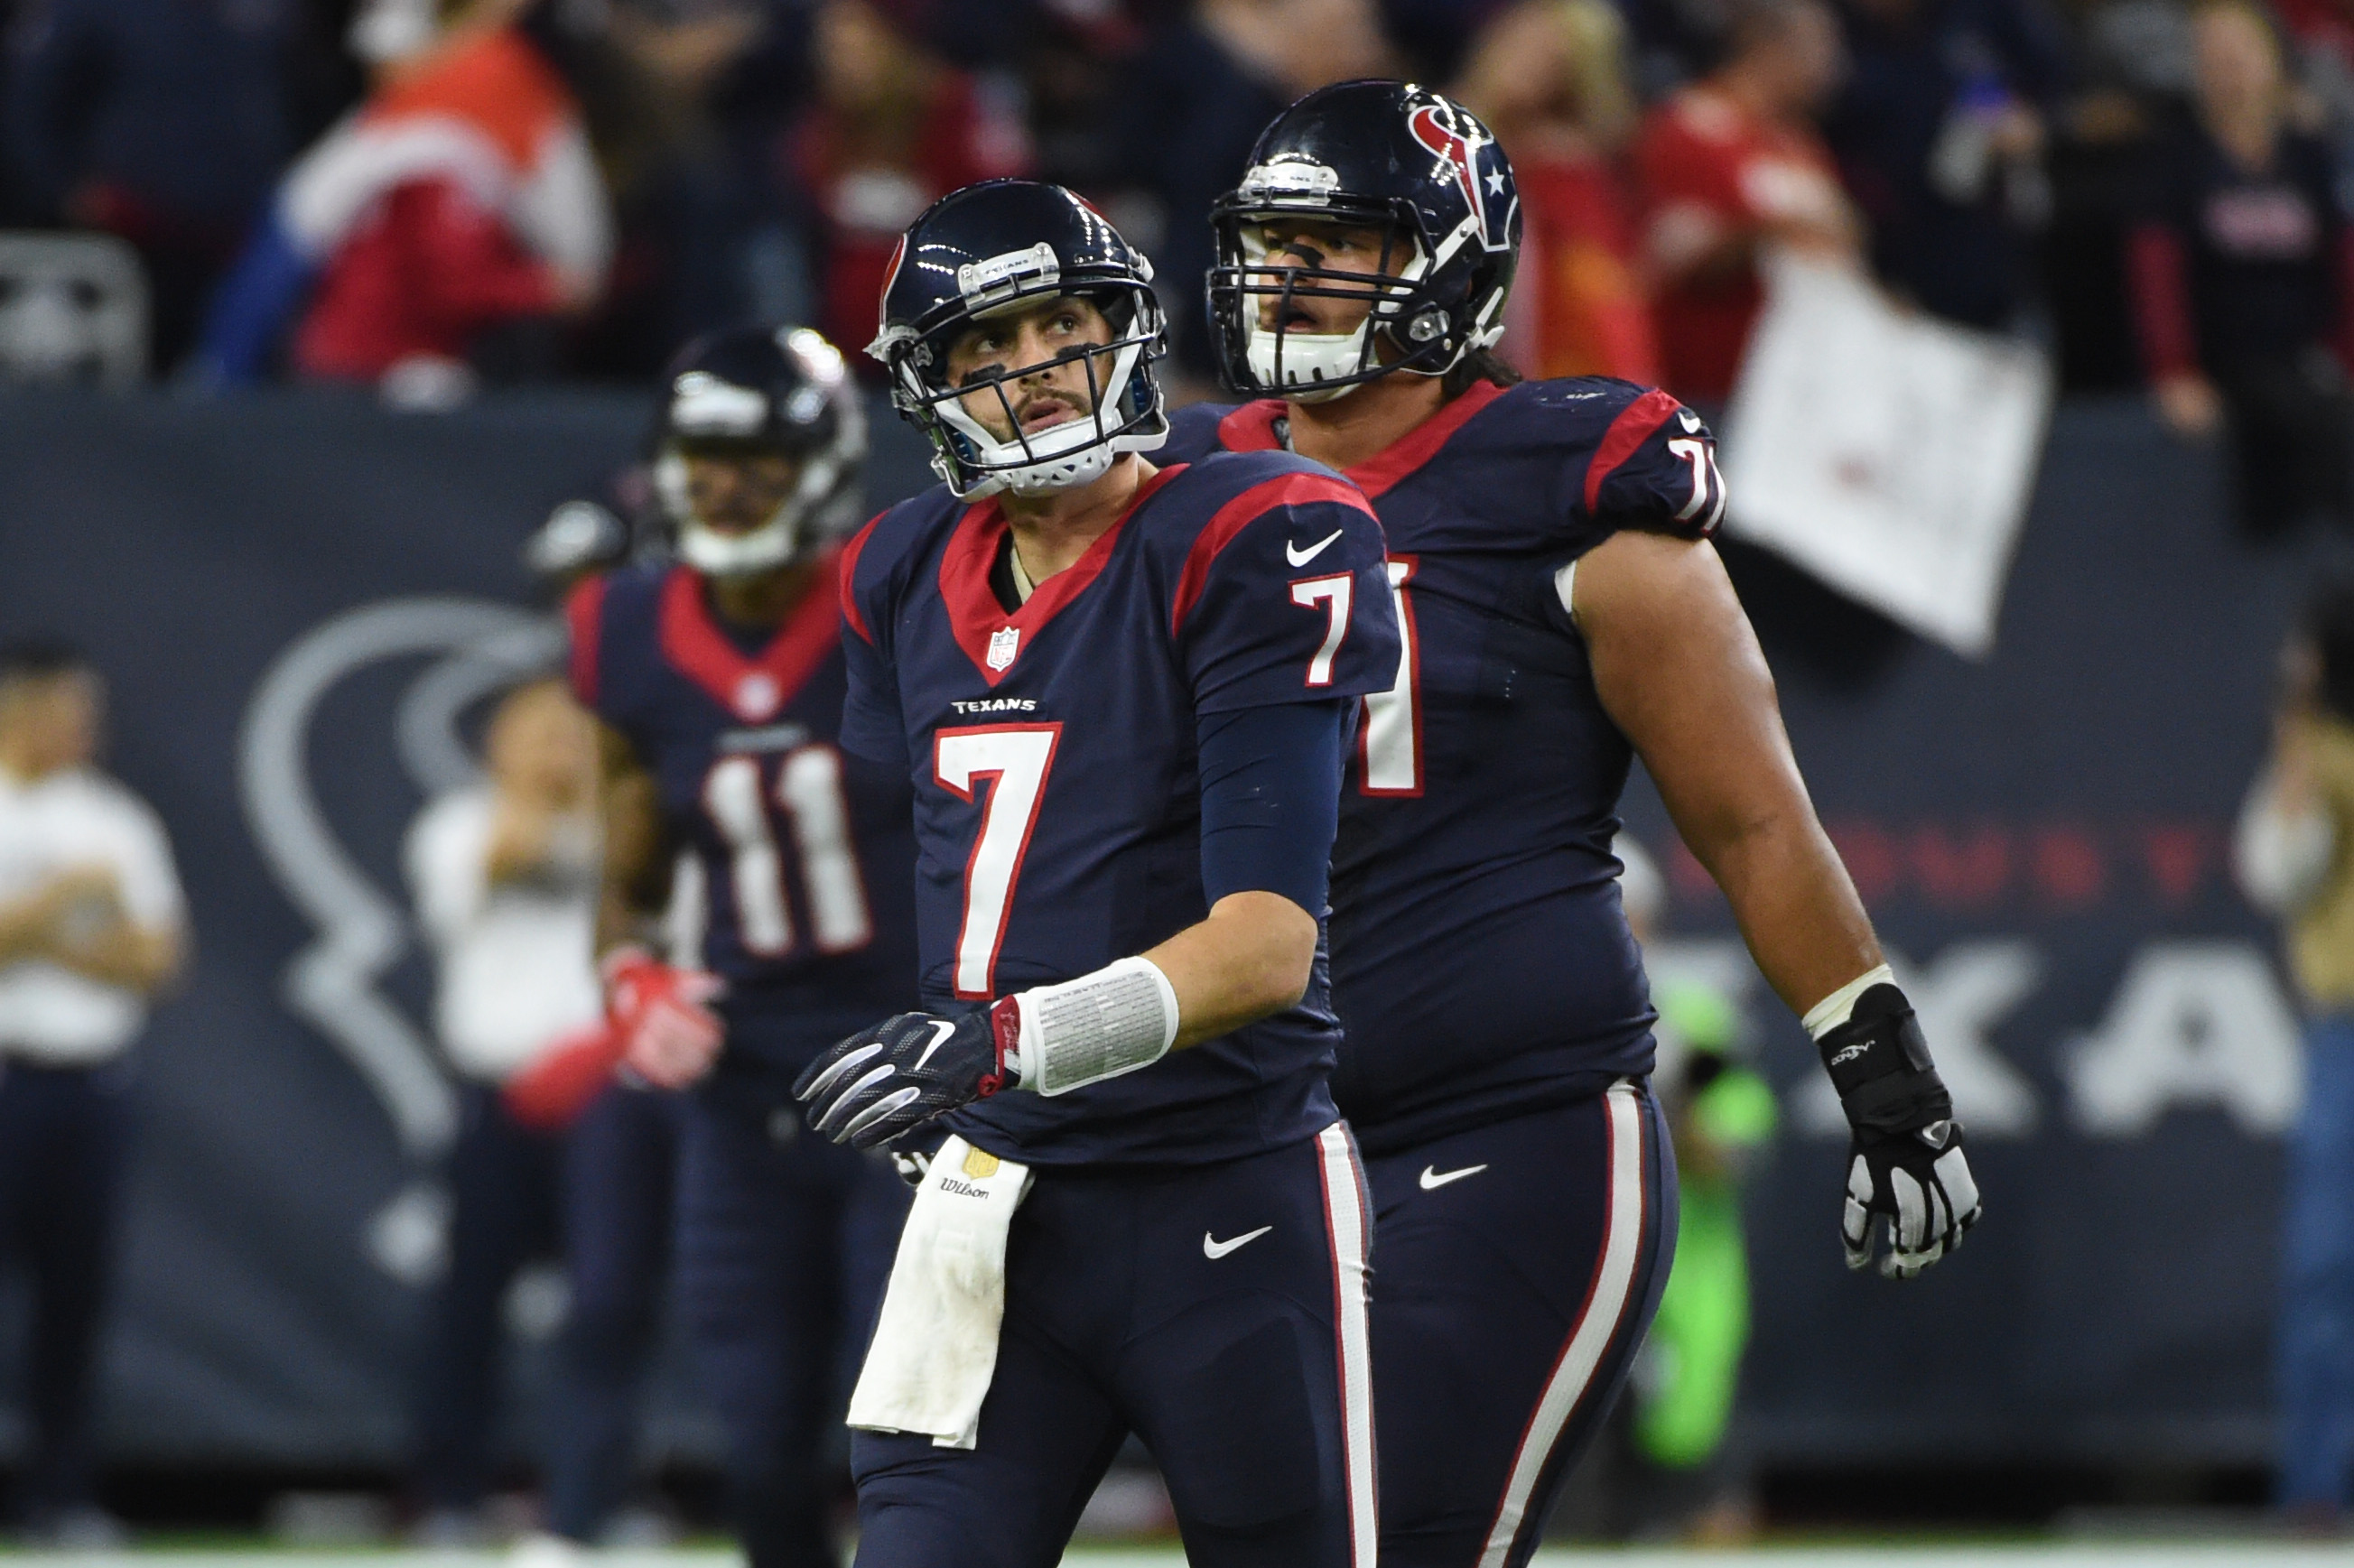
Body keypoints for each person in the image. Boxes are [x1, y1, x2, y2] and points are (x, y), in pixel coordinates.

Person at [1162, 79, 1982, 1566]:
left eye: (1333, 243)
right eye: (1269, 243)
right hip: (1261, 1141)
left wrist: (1885, 1072)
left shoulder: (1567, 485)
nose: (1284, 280)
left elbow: (1749, 819)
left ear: (1448, 260)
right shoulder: (1188, 486)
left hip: (1508, 1125)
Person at [791, 178, 1400, 1566]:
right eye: (983, 353)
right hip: (998, 1206)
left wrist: (1001, 1037)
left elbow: (1264, 946)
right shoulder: (894, 570)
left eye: (1056, 323)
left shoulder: (1251, 530)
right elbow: (953, 878)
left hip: (1227, 1190)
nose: (1032, 372)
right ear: (928, 391)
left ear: (1119, 324)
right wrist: (934, 1052)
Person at [565, 322, 917, 1568]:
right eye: (704, 455)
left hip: (906, 1074)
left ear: (820, 464)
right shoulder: (620, 625)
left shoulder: (890, 596)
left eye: (757, 458)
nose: (724, 485)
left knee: (912, 1433)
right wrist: (626, 972)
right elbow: (629, 871)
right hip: (744, 1087)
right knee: (758, 1439)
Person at [403, 675, 602, 1540]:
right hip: (499, 1095)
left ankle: (592, 1495)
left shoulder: (621, 827)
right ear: (496, 743)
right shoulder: (458, 825)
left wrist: (597, 790)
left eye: (573, 731)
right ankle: (451, 1492)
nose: (560, 747)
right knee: (470, 1305)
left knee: (608, 1303)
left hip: (603, 1098)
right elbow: (501, 863)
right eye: (539, 732)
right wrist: (546, 786)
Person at [0, 640, 185, 1544]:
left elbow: (156, 959)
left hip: (89, 1087)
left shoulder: (116, 820)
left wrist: (34, 934)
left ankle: (61, 1497)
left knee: (74, 1300)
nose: (84, 727)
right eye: (67, 707)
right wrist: (62, 905)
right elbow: (107, 935)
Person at [2127, 0, 2354, 538]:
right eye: (2211, 53)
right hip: (2229, 358)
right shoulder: (2176, 158)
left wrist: (2347, 353)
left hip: (2307, 355)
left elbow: (2344, 258)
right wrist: (2173, 370)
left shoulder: (2308, 154)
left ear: (2274, 59)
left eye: (2240, 50)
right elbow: (2156, 273)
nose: (2227, 64)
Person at [2235, 579, 2354, 1528]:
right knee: (2330, 1271)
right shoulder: (2316, 754)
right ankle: (2319, 1491)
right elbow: (2278, 867)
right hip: (2347, 1032)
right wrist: (2294, 733)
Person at [1632, 0, 1859, 407]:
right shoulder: (1691, 126)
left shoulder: (1800, 145)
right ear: (1769, 46)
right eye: (1821, 48)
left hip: (1792, 388)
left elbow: (1843, 239)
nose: (1833, 68)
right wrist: (1769, 230)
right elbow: (1677, 262)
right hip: (1703, 387)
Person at [1453, 0, 1661, 384]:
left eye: (1553, 62)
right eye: (1525, 47)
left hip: (1533, 356)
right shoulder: (1432, 130)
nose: (1530, 68)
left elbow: (1605, 294)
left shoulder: (1568, 170)